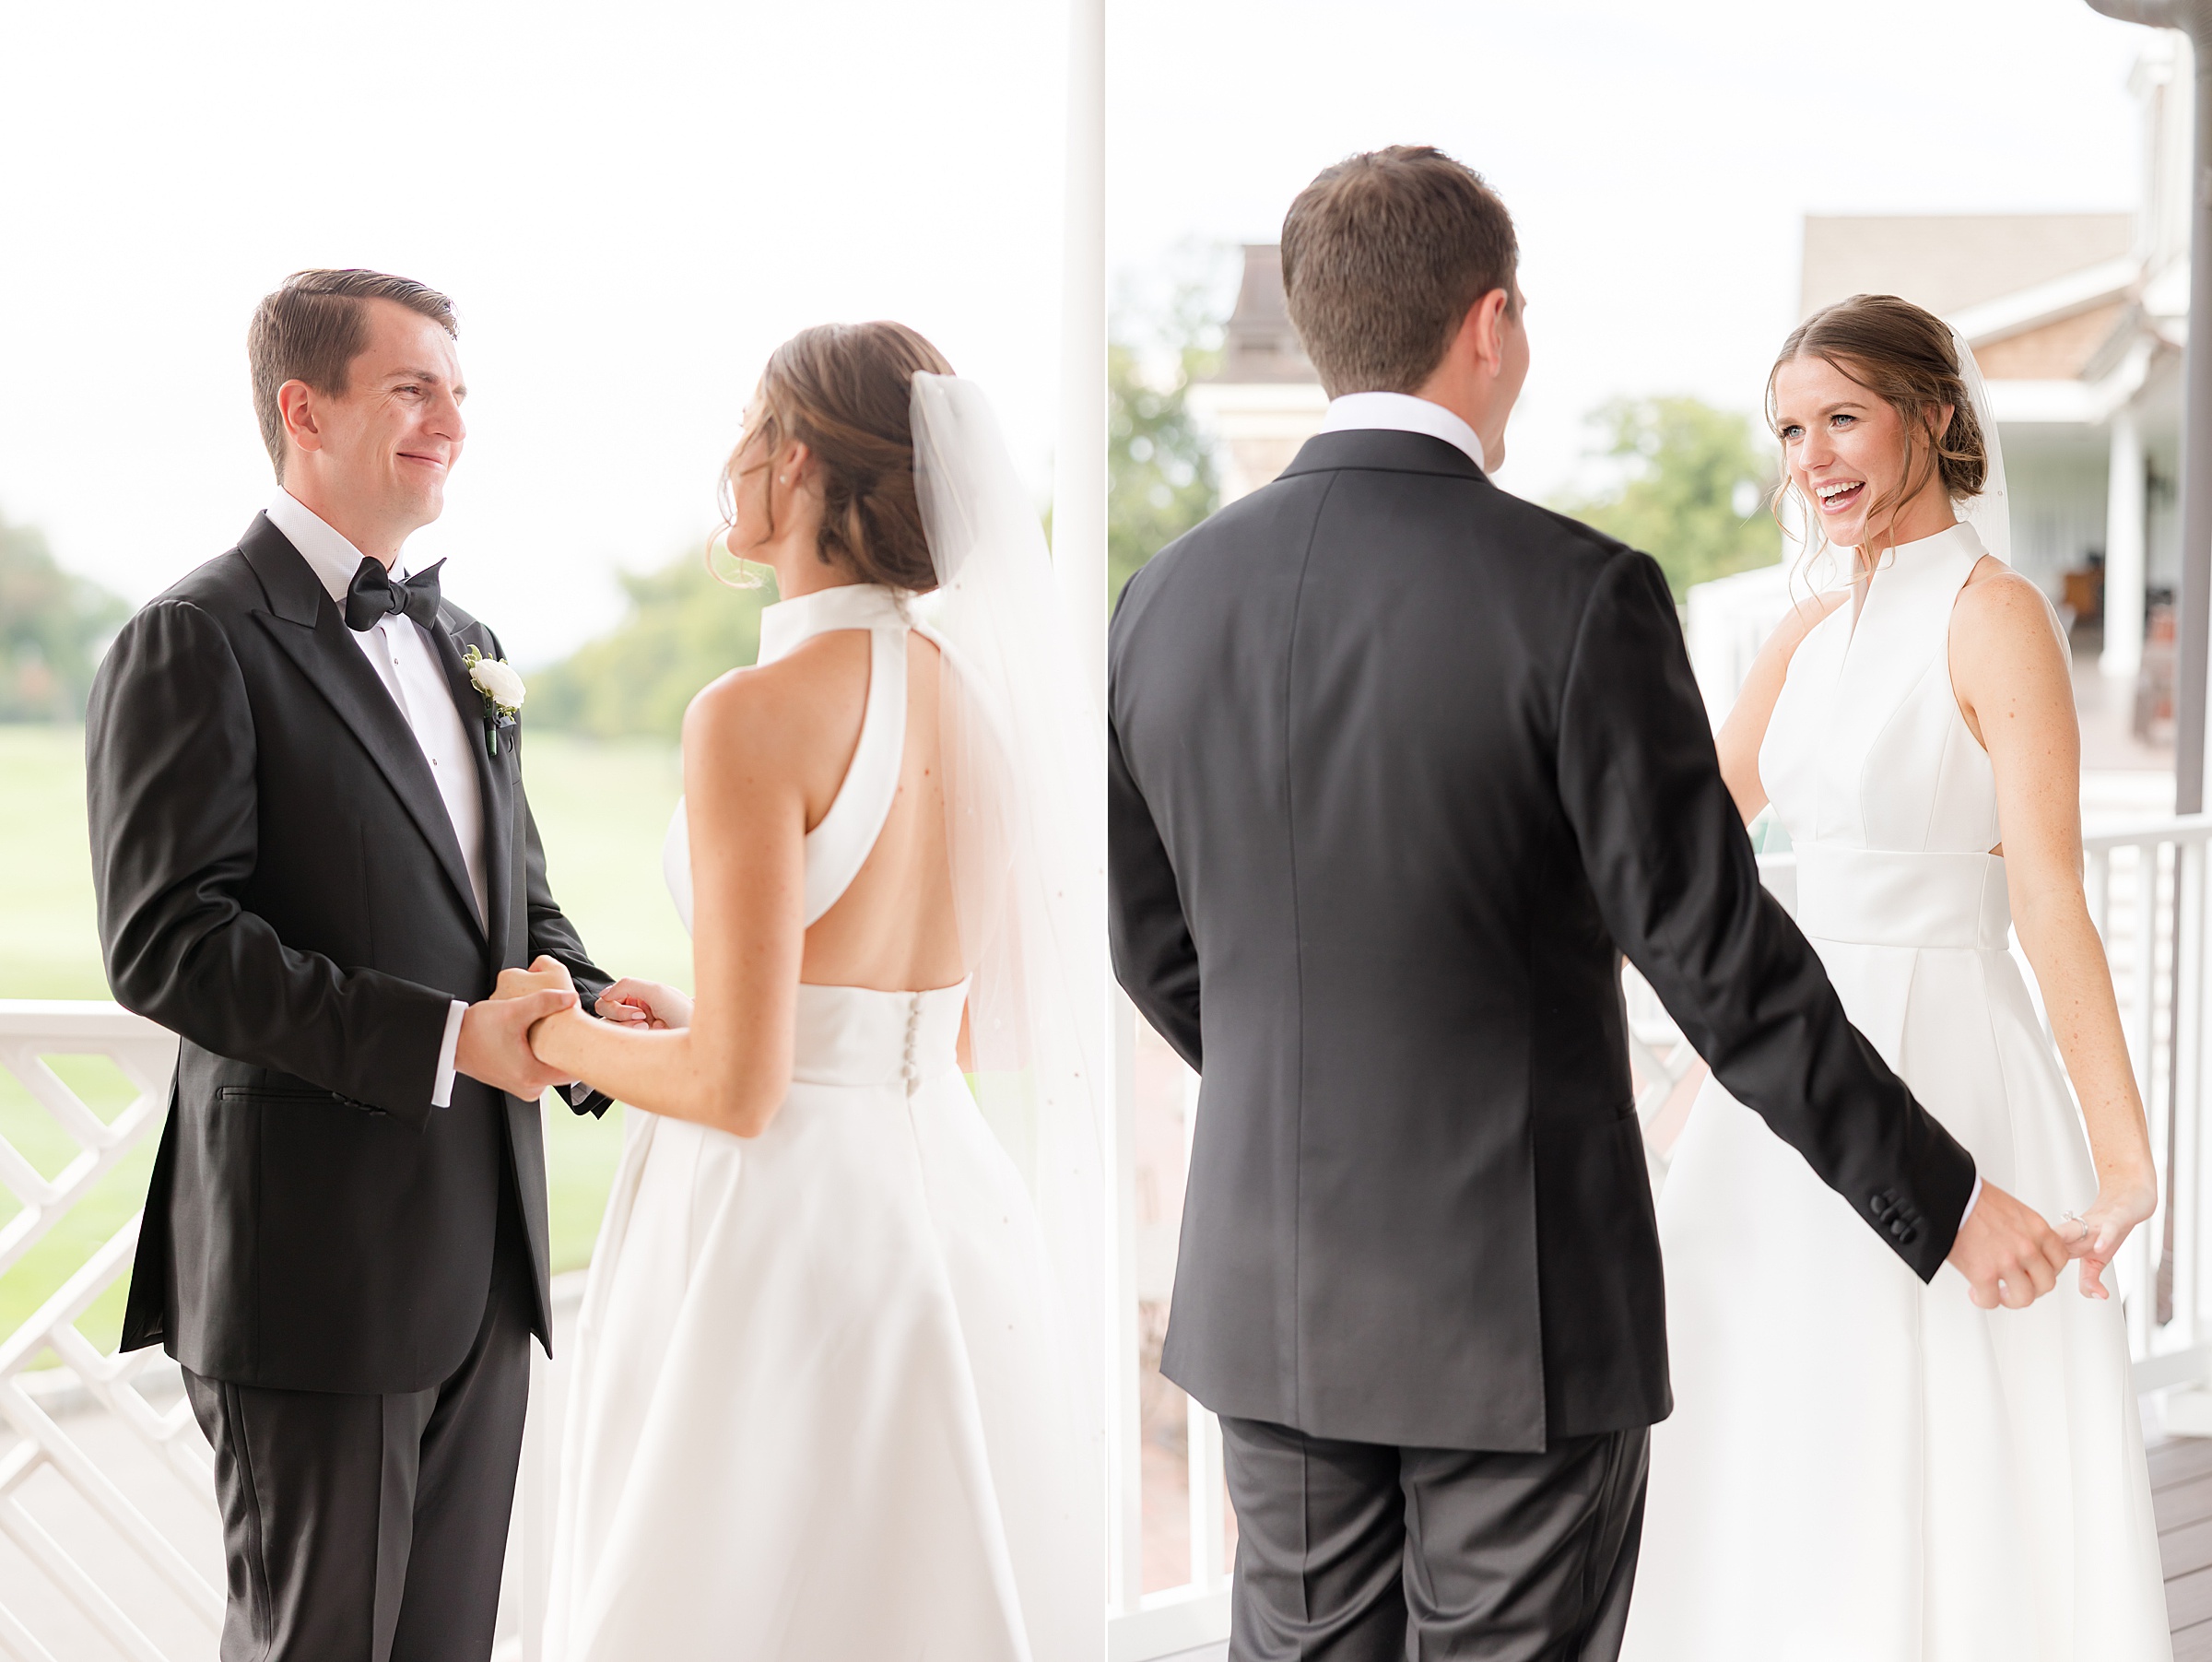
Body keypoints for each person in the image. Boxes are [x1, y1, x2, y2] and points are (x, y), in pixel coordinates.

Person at [1107, 147, 2076, 1662]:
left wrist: (1316, 1109)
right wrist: (1943, 1201)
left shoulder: (1162, 599)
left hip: (1270, 1286)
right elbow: (1719, 960)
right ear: (1489, 323)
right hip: (1522, 1307)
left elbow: (1153, 944)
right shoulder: (1575, 592)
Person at [499, 323, 1104, 1661]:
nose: (731, 458)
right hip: (945, 1204)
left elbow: (742, 1086)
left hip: (778, 1231)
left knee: (736, 1591)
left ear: (803, 460)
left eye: (751, 425)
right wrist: (700, 1012)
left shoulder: (753, 712)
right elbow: (913, 1022)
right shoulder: (979, 706)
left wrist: (560, 1031)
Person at [1624, 294, 2171, 1659]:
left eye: (1844, 417)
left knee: (1930, 1427)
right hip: (1802, 1067)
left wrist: (2125, 1161)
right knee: (1777, 1409)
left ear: (1934, 413)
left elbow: (2049, 900)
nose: (1814, 456)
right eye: (1793, 430)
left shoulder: (1998, 619)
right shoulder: (1805, 635)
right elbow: (1681, 839)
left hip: (1951, 1057)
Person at [86, 268, 616, 1662]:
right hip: (310, 1273)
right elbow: (168, 944)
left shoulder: (471, 644)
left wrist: (595, 1008)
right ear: (302, 410)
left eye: (458, 390)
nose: (450, 420)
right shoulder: (191, 638)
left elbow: (517, 909)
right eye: (412, 387)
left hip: (484, 1267)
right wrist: (446, 1039)